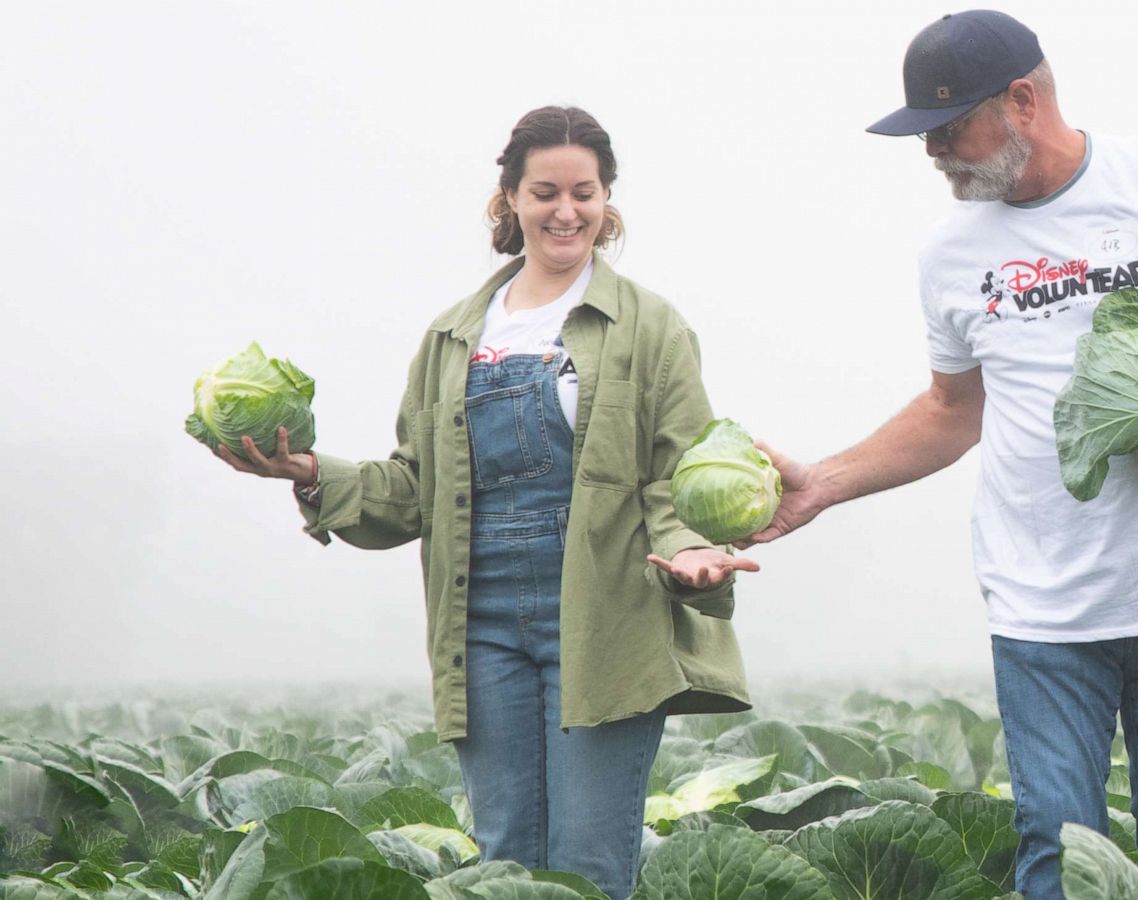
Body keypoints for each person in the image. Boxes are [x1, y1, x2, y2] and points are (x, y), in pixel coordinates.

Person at [740, 12, 1138, 899]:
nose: (932, 151)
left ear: (1021, 100)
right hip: (1042, 612)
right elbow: (950, 410)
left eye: (946, 126)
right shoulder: (950, 251)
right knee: (1052, 857)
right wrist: (823, 484)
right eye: (924, 132)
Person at [213, 105, 756, 900]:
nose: (565, 211)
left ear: (608, 200)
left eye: (584, 192)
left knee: (590, 866)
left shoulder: (650, 325)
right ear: (509, 198)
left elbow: (675, 471)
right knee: (505, 859)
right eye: (545, 192)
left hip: (604, 617)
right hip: (481, 623)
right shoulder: (453, 336)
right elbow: (411, 491)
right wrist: (306, 471)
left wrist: (691, 551)